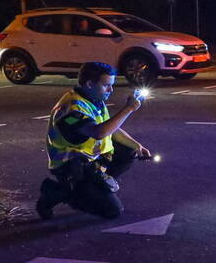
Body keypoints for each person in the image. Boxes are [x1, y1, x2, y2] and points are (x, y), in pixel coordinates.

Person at [36, 61, 152, 220]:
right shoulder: (72, 108)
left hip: (93, 159)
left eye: (112, 85)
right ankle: (59, 192)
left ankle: (94, 187)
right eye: (106, 85)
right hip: (70, 166)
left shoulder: (93, 98)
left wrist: (137, 146)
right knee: (113, 211)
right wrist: (129, 109)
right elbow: (99, 132)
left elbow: (110, 128)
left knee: (129, 150)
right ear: (90, 84)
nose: (111, 90)